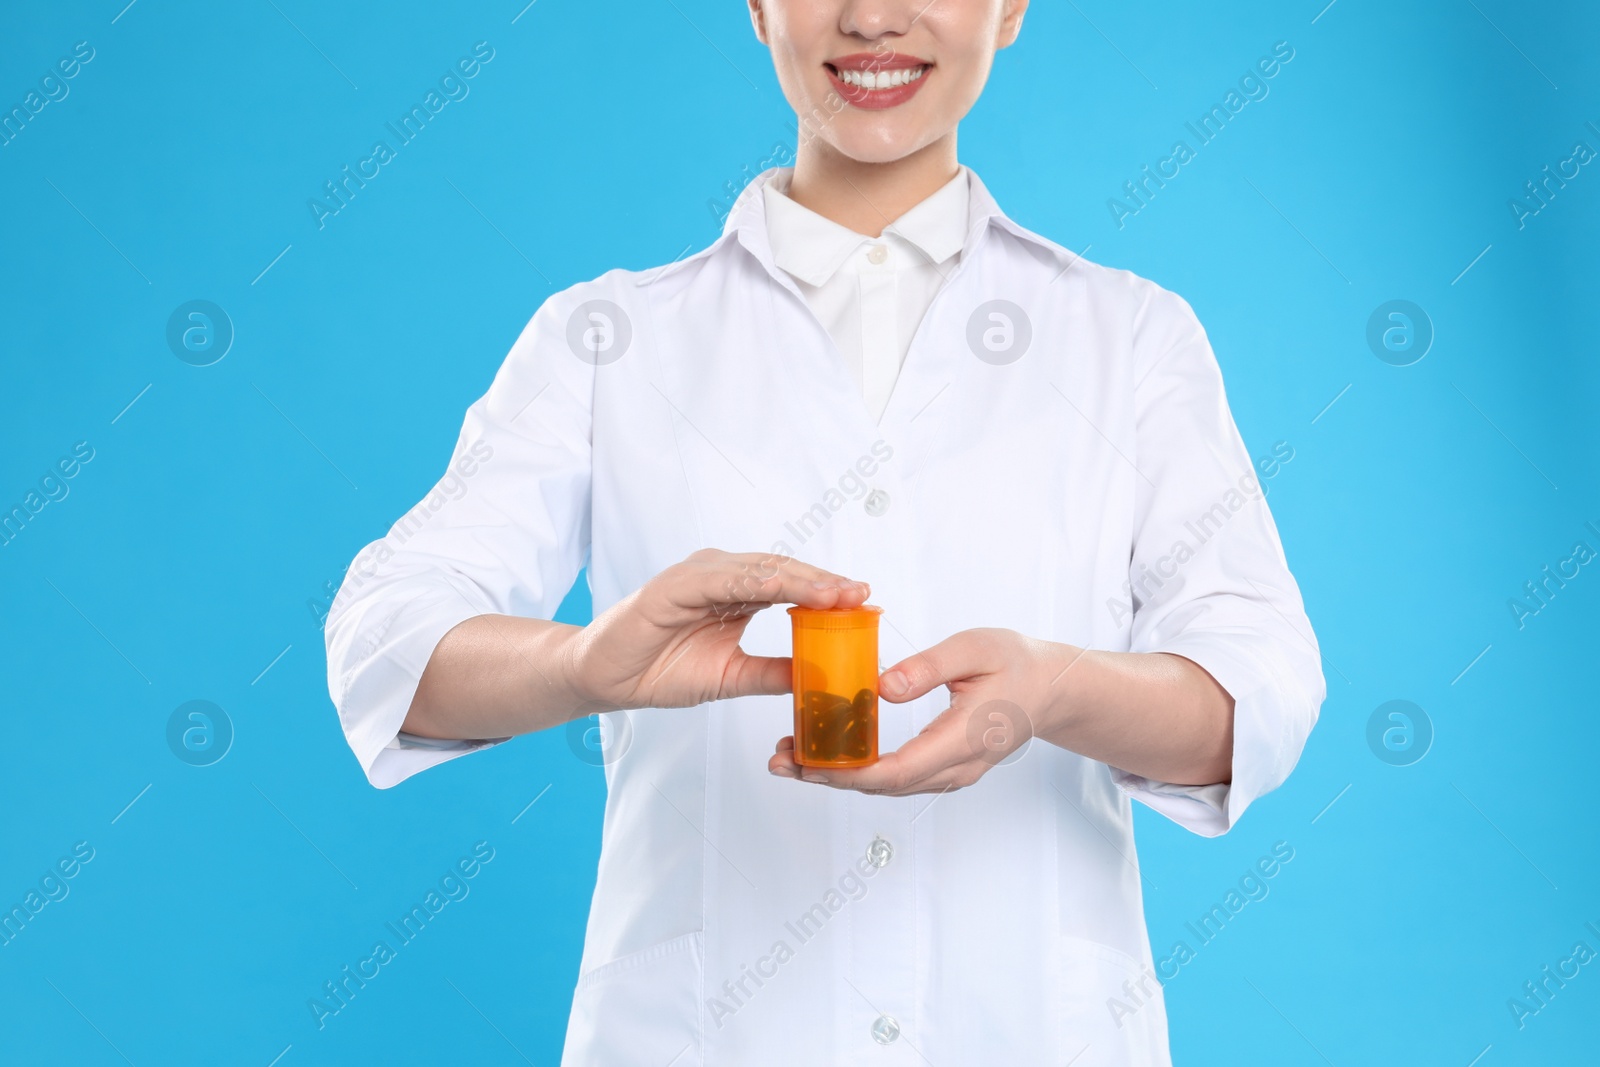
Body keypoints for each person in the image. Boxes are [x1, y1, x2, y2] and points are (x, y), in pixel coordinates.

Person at [324, 0, 1325, 1062]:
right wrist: (581, 662)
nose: (872, 16)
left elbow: (1256, 686)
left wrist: (1058, 689)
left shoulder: (1128, 337)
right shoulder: (606, 339)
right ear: (756, 6)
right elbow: (383, 636)